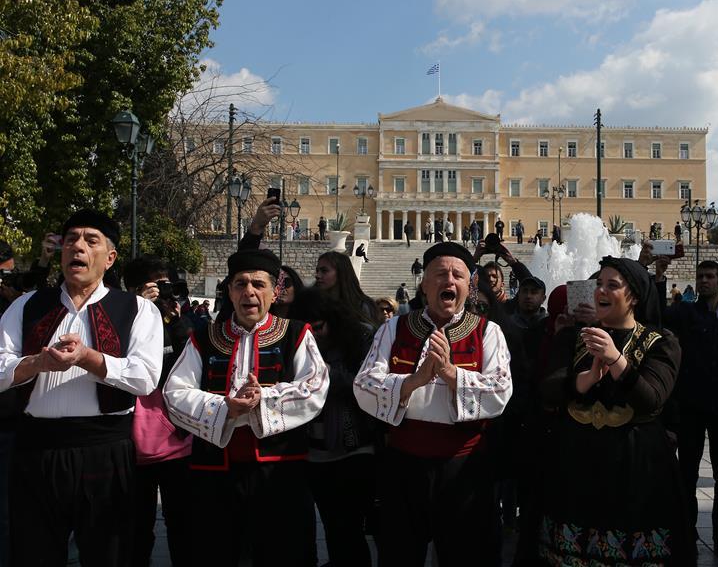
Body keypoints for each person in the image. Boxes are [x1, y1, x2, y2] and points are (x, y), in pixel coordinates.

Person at [0, 209, 164, 566]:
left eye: (91, 241)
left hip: (104, 448)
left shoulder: (137, 310)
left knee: (109, 554)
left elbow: (146, 376)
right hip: (37, 449)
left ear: (110, 257)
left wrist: (89, 357)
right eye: (71, 239)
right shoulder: (27, 305)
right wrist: (38, 363)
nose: (79, 247)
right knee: (32, 551)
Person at [164, 249, 329, 566]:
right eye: (240, 284)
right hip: (213, 475)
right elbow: (174, 392)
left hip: (281, 473)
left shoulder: (295, 333)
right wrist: (225, 407)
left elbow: (316, 387)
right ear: (229, 291)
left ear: (274, 292)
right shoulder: (205, 336)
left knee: (285, 554)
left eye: (258, 284)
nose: (249, 292)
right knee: (214, 553)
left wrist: (262, 401)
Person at [354, 242, 512, 566]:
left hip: (464, 469)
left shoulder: (488, 332)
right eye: (440, 274)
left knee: (467, 555)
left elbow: (501, 391)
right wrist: (414, 381)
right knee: (399, 553)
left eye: (457, 275)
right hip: (404, 467)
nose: (449, 281)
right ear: (424, 284)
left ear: (470, 285)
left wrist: (453, 375)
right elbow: (364, 386)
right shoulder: (393, 328)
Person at [538, 256, 688, 565]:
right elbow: (548, 390)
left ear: (633, 296)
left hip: (635, 466)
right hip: (576, 463)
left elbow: (651, 399)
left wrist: (616, 360)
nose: (601, 291)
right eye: (598, 285)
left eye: (612, 285)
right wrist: (587, 379)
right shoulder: (575, 338)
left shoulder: (660, 343)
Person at [292, 287, 377, 567]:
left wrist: (323, 371)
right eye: (309, 331)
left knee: (349, 526)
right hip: (315, 451)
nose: (315, 336)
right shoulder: (296, 343)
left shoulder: (359, 337)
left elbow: (364, 385)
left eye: (319, 327)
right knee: (333, 526)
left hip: (355, 447)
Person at [663, 260, 718, 560]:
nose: (704, 281)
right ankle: (687, 534)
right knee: (687, 475)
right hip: (691, 406)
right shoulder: (685, 312)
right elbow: (656, 315)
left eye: (710, 277)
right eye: (700, 277)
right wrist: (657, 278)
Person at [122, 255, 193, 567]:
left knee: (182, 525)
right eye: (157, 285)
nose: (164, 292)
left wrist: (173, 320)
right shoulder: (121, 317)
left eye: (167, 285)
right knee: (135, 528)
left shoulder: (175, 321)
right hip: (130, 444)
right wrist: (137, 312)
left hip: (176, 442)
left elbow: (187, 363)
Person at [315, 251, 378, 327]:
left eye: (324, 271)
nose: (317, 275)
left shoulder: (363, 306)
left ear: (341, 272)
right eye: (317, 271)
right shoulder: (312, 305)